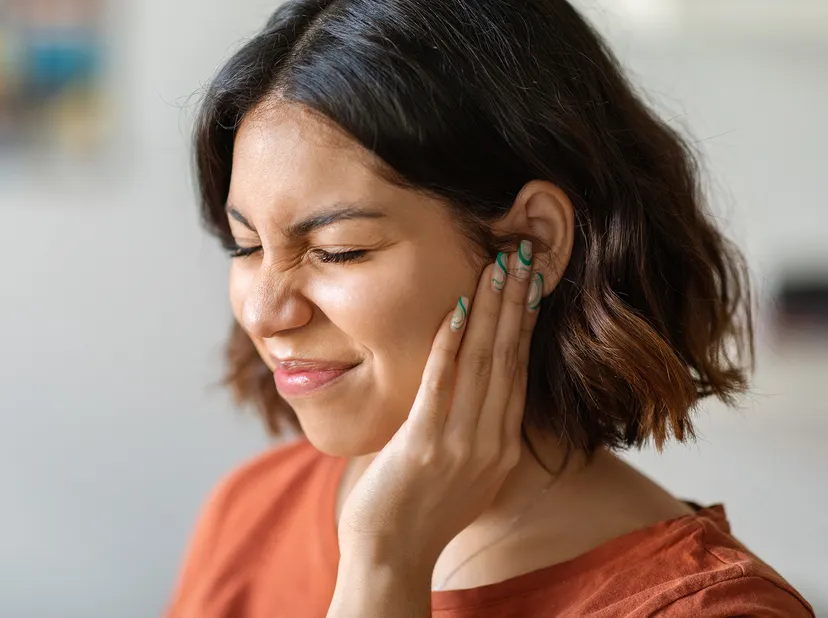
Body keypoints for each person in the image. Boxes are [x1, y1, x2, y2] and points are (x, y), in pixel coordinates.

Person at [166, 1, 815, 616]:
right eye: (245, 245)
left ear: (532, 242)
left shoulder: (710, 609)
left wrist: (386, 572)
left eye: (338, 251)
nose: (265, 313)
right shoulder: (249, 511)